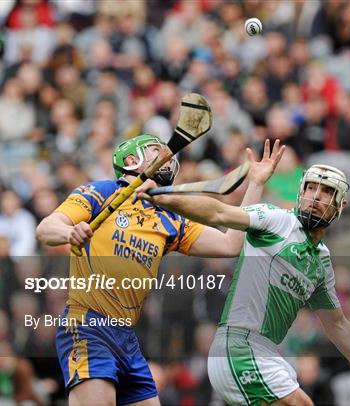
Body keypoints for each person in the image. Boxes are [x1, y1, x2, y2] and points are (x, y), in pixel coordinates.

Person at [36, 131, 284, 405]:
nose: (168, 156)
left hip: (126, 337)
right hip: (89, 325)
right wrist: (69, 233)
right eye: (157, 150)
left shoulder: (168, 219)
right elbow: (46, 228)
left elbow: (230, 244)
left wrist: (255, 185)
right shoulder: (101, 192)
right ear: (131, 159)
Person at [135, 164, 350, 406]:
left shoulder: (322, 262)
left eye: (327, 192)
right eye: (310, 188)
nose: (315, 197)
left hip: (268, 353)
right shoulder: (277, 221)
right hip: (239, 347)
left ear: (341, 206)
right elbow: (219, 213)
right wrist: (164, 198)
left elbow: (337, 324)